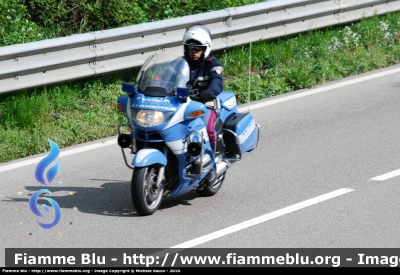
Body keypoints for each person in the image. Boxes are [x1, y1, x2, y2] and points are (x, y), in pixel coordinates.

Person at [182, 24, 223, 183]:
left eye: (197, 48)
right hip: (183, 103)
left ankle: (212, 166)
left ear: (205, 49)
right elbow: (166, 77)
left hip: (205, 103)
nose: (194, 51)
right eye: (191, 48)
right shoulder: (180, 63)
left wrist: (210, 91)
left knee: (208, 128)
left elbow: (217, 82)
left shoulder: (212, 64)